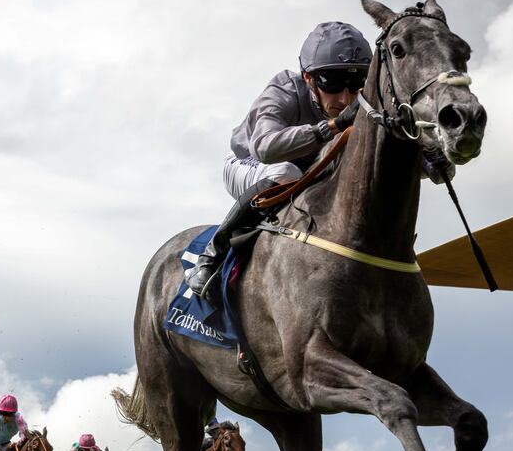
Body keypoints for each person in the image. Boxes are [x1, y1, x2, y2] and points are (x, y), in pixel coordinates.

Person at [185, 21, 454, 297]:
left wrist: (431, 159)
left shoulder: (366, 103)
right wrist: (334, 125)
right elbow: (266, 147)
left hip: (313, 173)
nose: (345, 96)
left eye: (356, 83)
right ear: (309, 78)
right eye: (333, 84)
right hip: (253, 164)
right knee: (286, 172)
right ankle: (212, 256)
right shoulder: (285, 88)